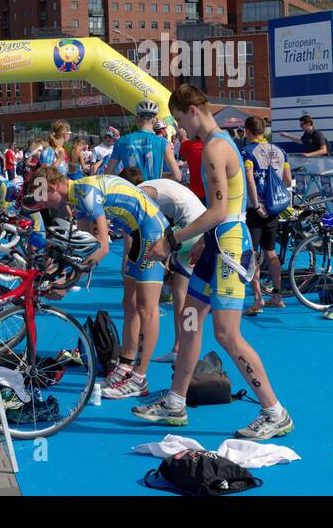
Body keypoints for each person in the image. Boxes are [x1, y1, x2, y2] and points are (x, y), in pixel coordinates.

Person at [133, 83, 294, 440]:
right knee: (190, 321)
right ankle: (175, 400)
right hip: (217, 246)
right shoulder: (218, 144)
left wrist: (173, 239)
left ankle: (274, 411)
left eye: (178, 120)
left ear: (192, 110)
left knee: (226, 334)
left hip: (230, 250)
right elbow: (226, 207)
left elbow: (221, 210)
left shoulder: (214, 148)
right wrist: (203, 243)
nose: (179, 129)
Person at [22, 166, 171, 400]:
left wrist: (68, 283)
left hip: (152, 231)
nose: (45, 207)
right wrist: (61, 276)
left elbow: (102, 246)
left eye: (44, 201)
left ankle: (140, 378)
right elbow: (83, 248)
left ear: (52, 187)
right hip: (139, 231)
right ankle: (125, 366)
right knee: (129, 303)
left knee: (146, 307)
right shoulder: (78, 197)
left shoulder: (85, 192)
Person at [125, 168, 207, 366]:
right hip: (199, 226)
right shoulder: (151, 185)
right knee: (183, 293)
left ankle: (182, 349)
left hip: (191, 227)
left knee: (177, 293)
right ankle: (181, 348)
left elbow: (142, 236)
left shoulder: (138, 194)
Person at [241, 115, 291, 315]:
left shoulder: (247, 152)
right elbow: (287, 180)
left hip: (256, 209)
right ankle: (277, 296)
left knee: (252, 254)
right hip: (274, 207)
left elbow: (249, 179)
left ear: (247, 131)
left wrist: (255, 204)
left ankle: (258, 298)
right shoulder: (281, 151)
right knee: (271, 251)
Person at [105, 99, 181, 182]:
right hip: (153, 191)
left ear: (136, 119)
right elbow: (177, 176)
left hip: (132, 190)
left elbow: (109, 173)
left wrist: (127, 178)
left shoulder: (121, 142)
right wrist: (158, 175)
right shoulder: (163, 142)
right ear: (155, 120)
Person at [178, 126, 204, 201]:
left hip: (196, 193)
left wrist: (182, 134)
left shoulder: (188, 146)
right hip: (211, 192)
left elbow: (182, 140)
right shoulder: (211, 145)